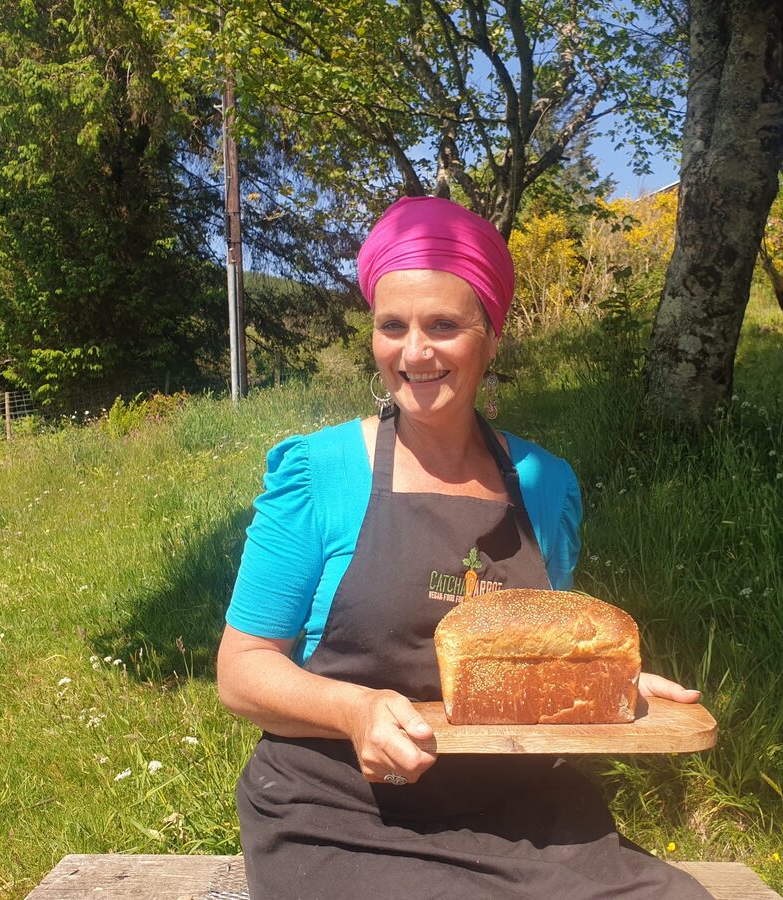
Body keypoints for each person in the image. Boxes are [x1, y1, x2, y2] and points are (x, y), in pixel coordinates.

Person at [218, 196, 710, 899]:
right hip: (339, 811)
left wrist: (609, 684)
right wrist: (354, 711)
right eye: (393, 326)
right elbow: (241, 670)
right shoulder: (318, 474)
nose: (413, 352)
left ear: (491, 336)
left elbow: (530, 653)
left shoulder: (545, 485)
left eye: (443, 325)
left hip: (515, 811)